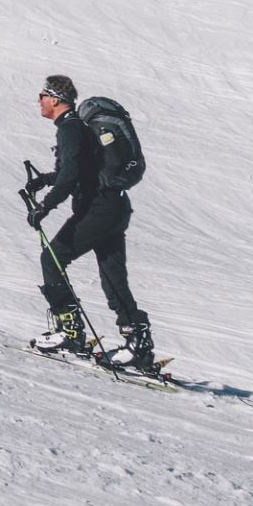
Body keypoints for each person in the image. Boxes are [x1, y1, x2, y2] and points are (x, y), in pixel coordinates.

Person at [24, 75, 156, 370]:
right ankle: (138, 344)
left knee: (52, 259)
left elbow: (71, 176)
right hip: (114, 207)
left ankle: (70, 332)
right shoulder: (77, 129)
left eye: (42, 95)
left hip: (98, 210)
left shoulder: (70, 129)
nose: (39, 101)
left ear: (55, 99)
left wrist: (44, 207)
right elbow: (78, 171)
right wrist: (44, 181)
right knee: (112, 276)